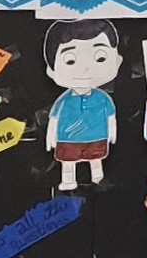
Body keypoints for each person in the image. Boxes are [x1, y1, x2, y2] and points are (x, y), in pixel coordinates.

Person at [43, 18, 121, 192]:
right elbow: (53, 120)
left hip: (97, 136)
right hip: (67, 138)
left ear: (117, 61)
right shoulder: (64, 101)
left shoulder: (103, 99)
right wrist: (50, 139)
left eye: (100, 57)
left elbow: (111, 117)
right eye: (70, 61)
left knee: (96, 158)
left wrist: (112, 134)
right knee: (68, 162)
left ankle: (97, 176)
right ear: (51, 70)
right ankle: (69, 180)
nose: (85, 68)